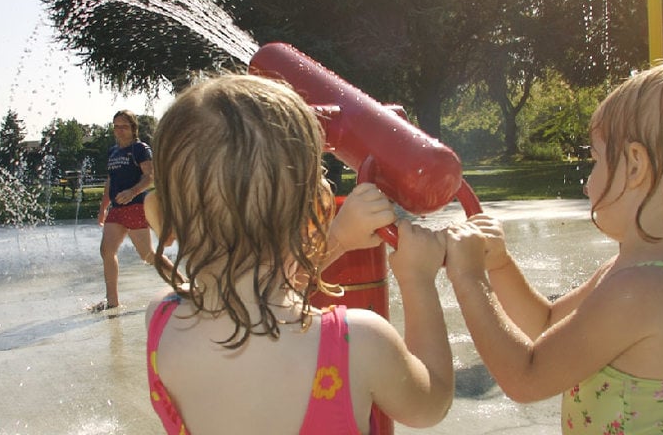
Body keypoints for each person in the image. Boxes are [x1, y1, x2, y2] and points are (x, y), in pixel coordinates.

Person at [443, 53, 663, 433]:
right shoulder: (647, 270)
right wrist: (499, 264)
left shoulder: (643, 290)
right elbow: (546, 324)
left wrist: (467, 277)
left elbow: (526, 377)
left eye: (595, 161)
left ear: (636, 166)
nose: (587, 182)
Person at [143, 74, 454, 434]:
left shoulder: (161, 320)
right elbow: (432, 404)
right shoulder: (360, 344)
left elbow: (254, 293)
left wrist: (339, 239)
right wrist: (418, 279)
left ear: (159, 219)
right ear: (319, 213)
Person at [92, 109, 177, 312]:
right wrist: (103, 207)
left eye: (123, 126)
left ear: (133, 128)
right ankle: (112, 301)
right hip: (117, 209)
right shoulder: (113, 152)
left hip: (136, 205)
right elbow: (110, 181)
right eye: (116, 127)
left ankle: (181, 282)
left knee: (148, 255)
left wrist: (132, 192)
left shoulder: (139, 149)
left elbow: (150, 176)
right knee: (106, 250)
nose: (119, 131)